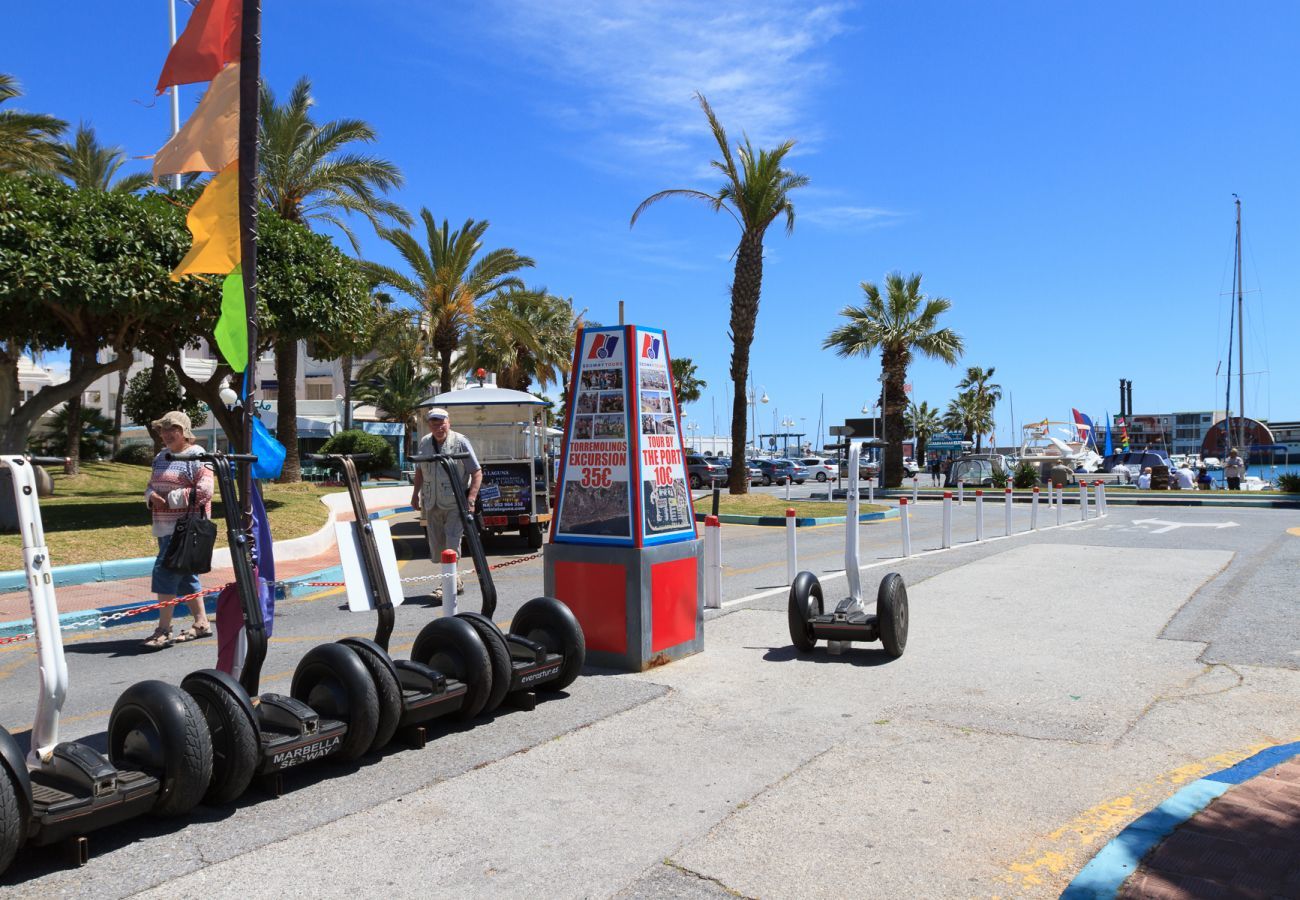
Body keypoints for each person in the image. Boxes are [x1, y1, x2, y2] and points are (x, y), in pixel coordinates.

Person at [141, 411, 214, 650]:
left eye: (173, 429)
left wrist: (169, 499)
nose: (166, 434)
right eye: (163, 429)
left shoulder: (198, 456)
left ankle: (163, 629)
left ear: (184, 431)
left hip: (185, 529)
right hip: (164, 527)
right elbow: (151, 485)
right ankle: (202, 622)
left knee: (164, 572)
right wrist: (151, 497)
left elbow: (205, 491)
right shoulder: (161, 456)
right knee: (185, 575)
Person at [410, 407, 482, 598]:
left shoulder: (460, 442)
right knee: (438, 547)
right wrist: (415, 494)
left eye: (442, 422)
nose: (438, 426)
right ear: (429, 425)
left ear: (449, 422)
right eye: (434, 423)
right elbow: (419, 471)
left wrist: (471, 499)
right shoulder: (425, 442)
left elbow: (476, 472)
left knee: (451, 543)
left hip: (454, 504)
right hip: (432, 503)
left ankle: (446, 586)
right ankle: (455, 581)